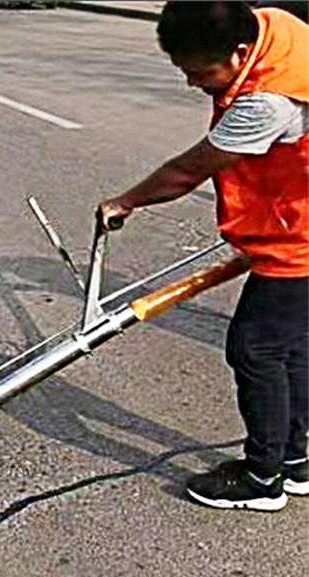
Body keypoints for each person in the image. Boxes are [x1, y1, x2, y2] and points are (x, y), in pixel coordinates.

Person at [98, 1, 308, 511]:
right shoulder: (275, 26)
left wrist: (125, 201)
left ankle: (262, 479)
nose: (194, 84)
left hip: (300, 240)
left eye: (200, 73)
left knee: (255, 349)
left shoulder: (268, 101)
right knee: (291, 346)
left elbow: (188, 170)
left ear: (239, 53)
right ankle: (298, 460)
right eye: (184, 71)